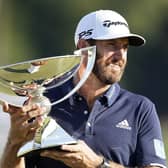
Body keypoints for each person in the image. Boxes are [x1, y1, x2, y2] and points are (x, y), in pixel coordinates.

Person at [0, 9, 167, 168]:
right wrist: (15, 142)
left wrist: (96, 164)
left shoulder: (140, 109)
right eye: (111, 45)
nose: (120, 56)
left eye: (124, 47)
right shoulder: (44, 102)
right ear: (83, 47)